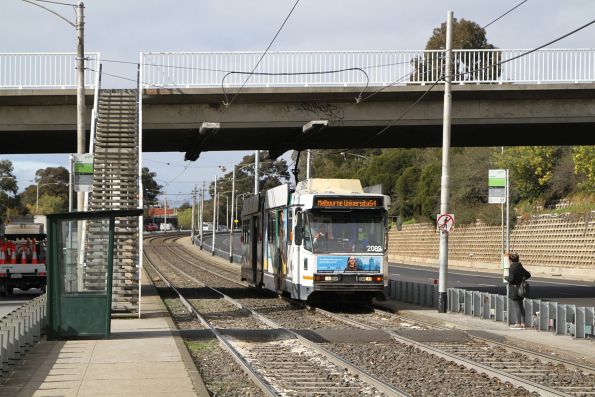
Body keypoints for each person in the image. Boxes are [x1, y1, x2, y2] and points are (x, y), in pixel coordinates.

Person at [505, 253, 531, 329]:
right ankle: (523, 323)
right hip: (521, 288)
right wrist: (522, 279)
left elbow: (511, 279)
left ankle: (518, 323)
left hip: (514, 288)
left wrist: (506, 277)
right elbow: (528, 275)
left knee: (516, 306)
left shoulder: (512, 267)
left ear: (510, 260)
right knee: (521, 306)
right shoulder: (520, 266)